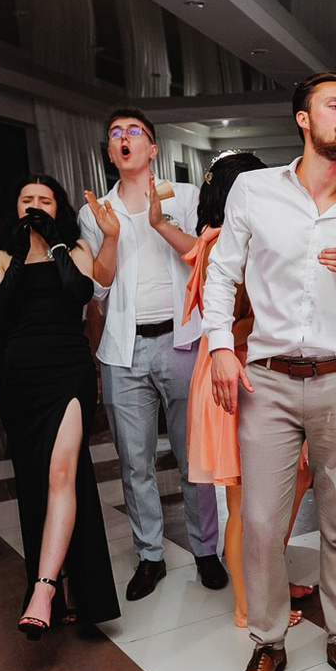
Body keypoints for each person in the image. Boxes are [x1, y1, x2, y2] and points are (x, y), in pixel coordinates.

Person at [203, 72, 336, 671]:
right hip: (266, 381)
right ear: (303, 119)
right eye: (335, 105)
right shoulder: (255, 190)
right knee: (263, 522)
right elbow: (222, 272)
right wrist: (220, 346)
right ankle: (268, 642)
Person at [75, 108, 227, 598]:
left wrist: (159, 223)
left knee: (194, 458)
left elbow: (205, 260)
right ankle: (149, 556)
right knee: (134, 461)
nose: (124, 138)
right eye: (115, 133)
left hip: (183, 342)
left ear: (152, 148)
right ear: (110, 150)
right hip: (123, 350)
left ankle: (206, 550)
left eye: (133, 132)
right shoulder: (95, 211)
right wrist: (110, 237)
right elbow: (98, 286)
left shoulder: (185, 195)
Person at [0, 175, 121, 636]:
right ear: (16, 207)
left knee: (64, 472)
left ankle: (42, 590)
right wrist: (23, 250)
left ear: (57, 208)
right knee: (33, 483)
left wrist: (55, 244)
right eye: (27, 200)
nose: (35, 206)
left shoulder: (76, 249)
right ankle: (59, 589)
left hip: (67, 373)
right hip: (21, 379)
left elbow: (79, 293)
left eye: (45, 200)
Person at [183, 152, 317, 628]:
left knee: (290, 480)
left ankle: (267, 579)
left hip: (249, 370)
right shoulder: (222, 244)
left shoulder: (232, 238)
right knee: (246, 501)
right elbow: (232, 325)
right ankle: (248, 606)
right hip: (235, 374)